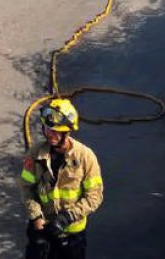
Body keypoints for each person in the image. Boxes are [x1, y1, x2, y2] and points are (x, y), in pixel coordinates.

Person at [20, 98, 104, 259]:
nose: (50, 135)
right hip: (42, 229)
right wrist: (36, 216)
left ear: (67, 131)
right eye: (47, 129)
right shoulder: (35, 153)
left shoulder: (85, 157)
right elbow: (26, 188)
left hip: (72, 234)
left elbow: (95, 196)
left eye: (56, 131)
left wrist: (66, 217)